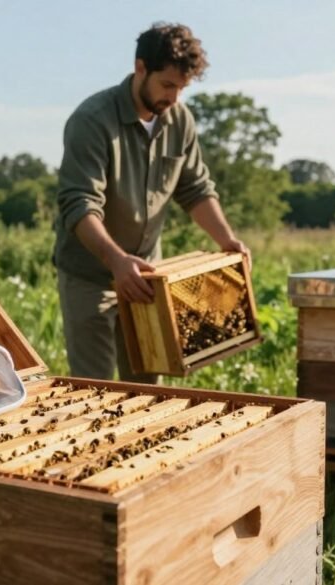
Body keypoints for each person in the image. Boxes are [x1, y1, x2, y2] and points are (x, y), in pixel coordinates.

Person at [53, 23, 247, 384]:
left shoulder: (179, 120)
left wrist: (226, 240)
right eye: (168, 85)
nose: (174, 98)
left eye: (182, 89)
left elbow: (195, 188)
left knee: (147, 388)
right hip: (91, 276)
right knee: (96, 389)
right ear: (140, 67)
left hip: (147, 276)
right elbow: (79, 203)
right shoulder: (92, 120)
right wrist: (115, 261)